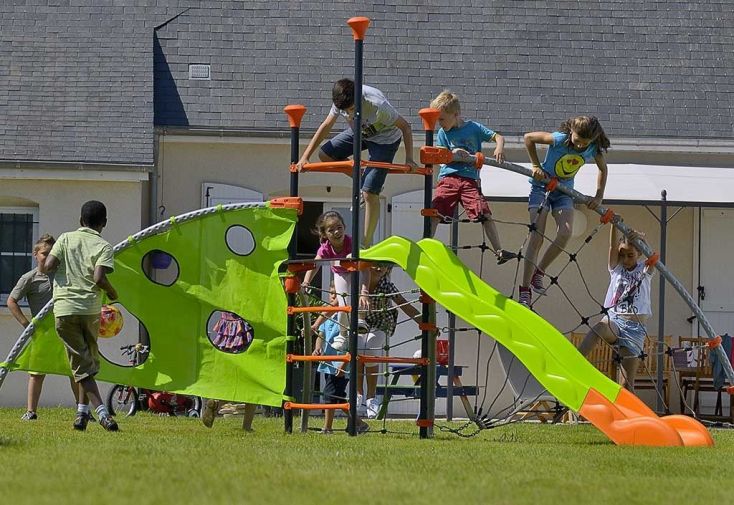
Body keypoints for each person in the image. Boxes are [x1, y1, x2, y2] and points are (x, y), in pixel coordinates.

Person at [295, 78, 418, 247]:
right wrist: (305, 157)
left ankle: (365, 243)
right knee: (325, 155)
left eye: (353, 109)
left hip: (385, 139)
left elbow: (405, 127)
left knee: (369, 194)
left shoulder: (377, 103)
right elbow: (326, 125)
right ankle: (365, 180)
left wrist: (409, 159)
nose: (350, 113)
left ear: (359, 100)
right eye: (346, 111)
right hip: (361, 133)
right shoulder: (341, 100)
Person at [41, 200, 119, 431]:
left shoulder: (65, 239)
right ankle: (97, 413)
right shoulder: (104, 246)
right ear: (104, 223)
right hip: (90, 311)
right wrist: (113, 293)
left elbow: (47, 265)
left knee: (84, 363)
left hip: (65, 309)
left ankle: (87, 414)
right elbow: (99, 279)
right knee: (87, 363)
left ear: (79, 220)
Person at [518, 116, 610, 306]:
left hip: (563, 192)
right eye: (577, 141)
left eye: (585, 143)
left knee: (566, 232)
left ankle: (539, 272)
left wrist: (598, 195)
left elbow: (603, 169)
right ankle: (525, 289)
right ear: (571, 133)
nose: (579, 147)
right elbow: (528, 138)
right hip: (541, 187)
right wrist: (535, 165)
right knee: (537, 237)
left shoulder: (592, 148)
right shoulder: (559, 139)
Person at [428, 90, 517, 265]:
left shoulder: (473, 128)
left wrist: (499, 147)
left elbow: (497, 137)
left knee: (484, 212)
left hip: (470, 180)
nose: (440, 124)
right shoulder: (442, 134)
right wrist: (452, 154)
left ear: (456, 114)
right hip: (449, 177)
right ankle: (426, 245)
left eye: (442, 119)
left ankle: (499, 250)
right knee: (436, 211)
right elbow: (441, 156)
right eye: (438, 120)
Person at [8, 234, 88, 421]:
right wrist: (27, 325)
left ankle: (82, 411)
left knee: (75, 371)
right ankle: (31, 411)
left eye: (52, 253)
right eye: (45, 253)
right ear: (35, 254)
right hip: (42, 333)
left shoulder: (62, 274)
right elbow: (11, 301)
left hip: (66, 329)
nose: (48, 257)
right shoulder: (30, 278)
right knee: (37, 373)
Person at [578, 227, 653, 390]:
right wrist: (613, 223)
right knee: (599, 327)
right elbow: (612, 246)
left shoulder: (644, 270)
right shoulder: (616, 268)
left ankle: (626, 415)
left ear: (639, 253)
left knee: (626, 384)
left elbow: (654, 258)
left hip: (635, 329)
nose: (625, 259)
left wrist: (642, 239)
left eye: (630, 255)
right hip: (615, 320)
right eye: (622, 255)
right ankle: (575, 361)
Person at [358, 262, 421, 419]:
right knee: (358, 347)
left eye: (384, 266)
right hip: (362, 321)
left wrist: (424, 322)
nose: (380, 268)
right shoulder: (358, 282)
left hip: (382, 323)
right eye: (376, 265)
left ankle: (371, 397)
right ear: (367, 266)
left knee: (371, 347)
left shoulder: (386, 285)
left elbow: (404, 305)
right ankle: (358, 393)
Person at [301, 211, 368, 351]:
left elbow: (365, 269)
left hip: (356, 272)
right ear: (325, 234)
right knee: (342, 305)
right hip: (341, 274)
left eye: (339, 227)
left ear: (344, 227)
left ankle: (361, 320)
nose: (337, 232)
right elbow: (315, 265)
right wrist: (306, 282)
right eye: (331, 230)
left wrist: (364, 291)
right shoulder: (325, 248)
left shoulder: (351, 243)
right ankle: (343, 335)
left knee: (359, 297)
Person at [312, 306, 369, 435]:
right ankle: (359, 423)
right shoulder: (326, 317)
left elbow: (352, 345)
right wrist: (318, 348)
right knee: (337, 397)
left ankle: (327, 428)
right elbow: (321, 335)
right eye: (331, 294)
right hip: (328, 363)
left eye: (335, 294)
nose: (333, 298)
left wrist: (343, 364)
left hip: (341, 365)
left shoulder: (347, 317)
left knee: (330, 395)